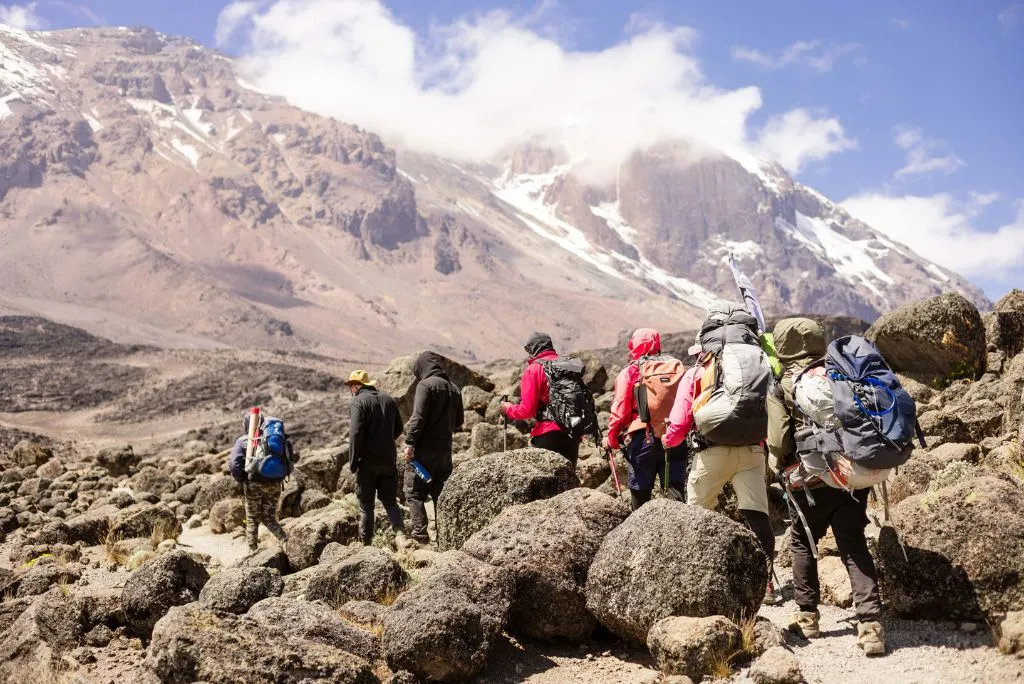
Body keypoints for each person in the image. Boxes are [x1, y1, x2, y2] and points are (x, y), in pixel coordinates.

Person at [766, 317, 886, 656]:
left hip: (811, 477)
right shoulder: (841, 370)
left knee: (803, 542)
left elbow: (777, 439)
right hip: (852, 471)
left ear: (784, 346)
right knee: (852, 540)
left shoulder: (783, 384)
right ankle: (871, 625)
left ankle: (807, 618)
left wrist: (777, 466)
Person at [661, 312, 776, 584]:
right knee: (758, 516)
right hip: (752, 452)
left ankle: (695, 577)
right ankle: (766, 583)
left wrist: (669, 441)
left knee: (696, 514)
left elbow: (679, 421)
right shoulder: (759, 366)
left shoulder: (697, 373)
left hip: (711, 452)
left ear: (705, 347)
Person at [603, 328, 686, 510]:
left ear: (633, 344)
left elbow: (619, 411)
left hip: (643, 438)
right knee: (675, 493)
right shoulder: (676, 367)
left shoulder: (631, 371)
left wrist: (611, 439)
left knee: (640, 496)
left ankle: (639, 534)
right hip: (675, 437)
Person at [402, 351, 464, 545]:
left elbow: (418, 418)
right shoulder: (455, 389)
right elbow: (459, 422)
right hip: (445, 451)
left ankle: (421, 538)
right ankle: (445, 537)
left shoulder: (425, 385)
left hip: (423, 452)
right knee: (441, 493)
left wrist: (410, 442)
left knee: (414, 492)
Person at [347, 369, 408, 547]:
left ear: (356, 386)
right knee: (390, 501)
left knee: (366, 505)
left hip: (367, 463)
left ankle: (366, 545)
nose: (351, 389)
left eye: (351, 385)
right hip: (389, 459)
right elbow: (399, 428)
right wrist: (385, 443)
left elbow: (355, 433)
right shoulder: (388, 399)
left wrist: (353, 463)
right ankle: (400, 536)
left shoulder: (358, 402)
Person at [501, 332, 582, 463]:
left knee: (544, 481)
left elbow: (527, 410)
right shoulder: (568, 367)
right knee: (568, 481)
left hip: (548, 434)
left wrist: (509, 409)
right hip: (572, 434)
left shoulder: (534, 369)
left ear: (533, 348)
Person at [229, 411, 288, 552]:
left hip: (254, 484)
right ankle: (286, 542)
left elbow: (234, 465)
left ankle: (253, 552)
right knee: (269, 518)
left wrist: (242, 479)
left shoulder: (244, 441)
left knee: (252, 519)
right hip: (275, 483)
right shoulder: (274, 440)